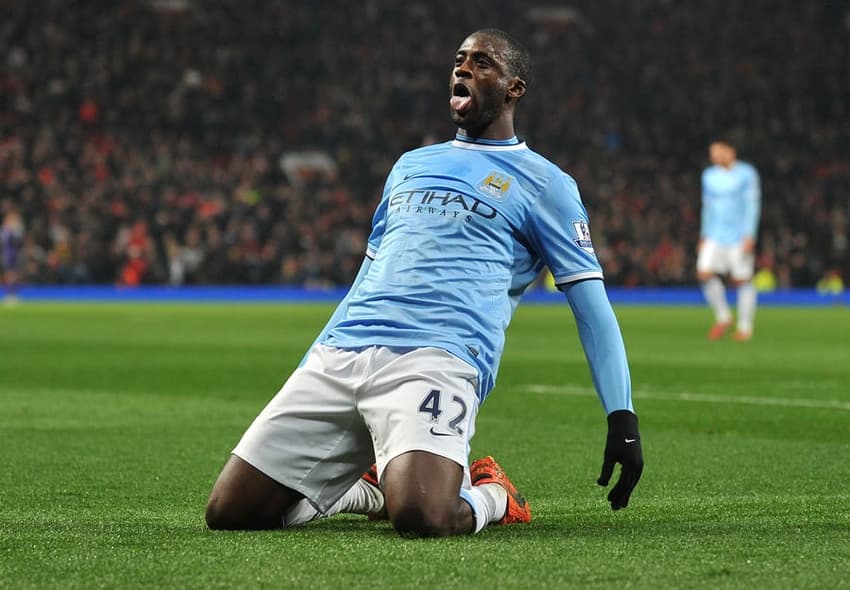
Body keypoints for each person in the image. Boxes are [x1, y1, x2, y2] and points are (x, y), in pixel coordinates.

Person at [206, 29, 643, 538]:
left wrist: (622, 418)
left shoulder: (546, 185)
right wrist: (313, 358)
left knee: (422, 517)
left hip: (437, 357)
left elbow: (592, 308)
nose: (463, 68)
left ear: (513, 89)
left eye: (482, 62)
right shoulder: (411, 166)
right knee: (230, 512)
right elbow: (366, 277)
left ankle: (494, 495)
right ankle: (368, 491)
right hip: (343, 352)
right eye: (459, 59)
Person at [697, 140, 762, 341]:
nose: (715, 156)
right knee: (703, 273)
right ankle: (723, 316)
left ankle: (745, 326)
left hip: (738, 235)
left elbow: (753, 205)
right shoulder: (708, 176)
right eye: (712, 153)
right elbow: (707, 208)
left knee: (742, 279)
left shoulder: (747, 173)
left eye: (718, 152)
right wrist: (704, 234)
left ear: (731, 151)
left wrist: (750, 234)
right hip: (715, 234)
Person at [1, 204, 24, 306]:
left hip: (13, 253)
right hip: (9, 254)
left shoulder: (13, 229)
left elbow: (18, 241)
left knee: (13, 274)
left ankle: (13, 294)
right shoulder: (6, 229)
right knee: (10, 274)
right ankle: (10, 294)